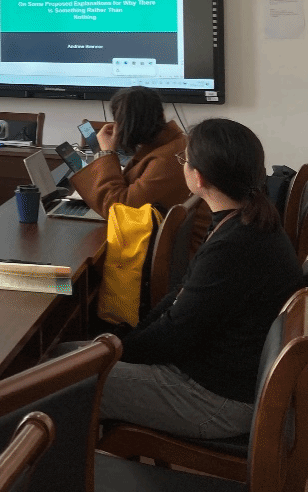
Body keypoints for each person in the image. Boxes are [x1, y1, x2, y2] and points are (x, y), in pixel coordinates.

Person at [96, 118, 302, 439]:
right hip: (214, 377)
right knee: (67, 359)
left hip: (218, 400)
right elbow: (180, 296)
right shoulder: (243, 218)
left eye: (185, 159)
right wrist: (124, 341)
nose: (184, 164)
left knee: (66, 379)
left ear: (199, 178)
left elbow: (174, 335)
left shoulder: (235, 245)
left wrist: (116, 350)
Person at [69, 86, 189, 217]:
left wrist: (107, 153)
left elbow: (120, 209)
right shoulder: (175, 142)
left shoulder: (165, 160)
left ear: (123, 127)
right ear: (162, 114)